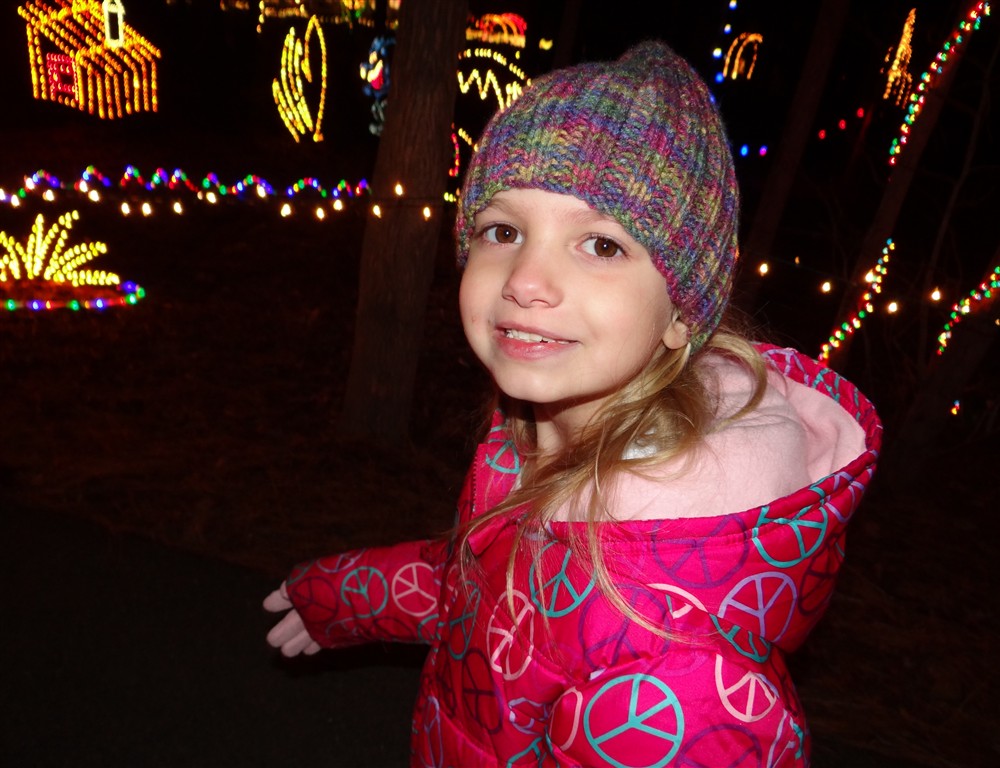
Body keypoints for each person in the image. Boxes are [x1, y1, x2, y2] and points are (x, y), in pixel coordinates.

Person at [264, 40, 882, 767]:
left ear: (682, 314)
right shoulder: (541, 433)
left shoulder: (676, 675)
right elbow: (483, 589)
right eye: (503, 231)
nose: (525, 279)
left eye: (601, 245)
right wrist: (344, 597)